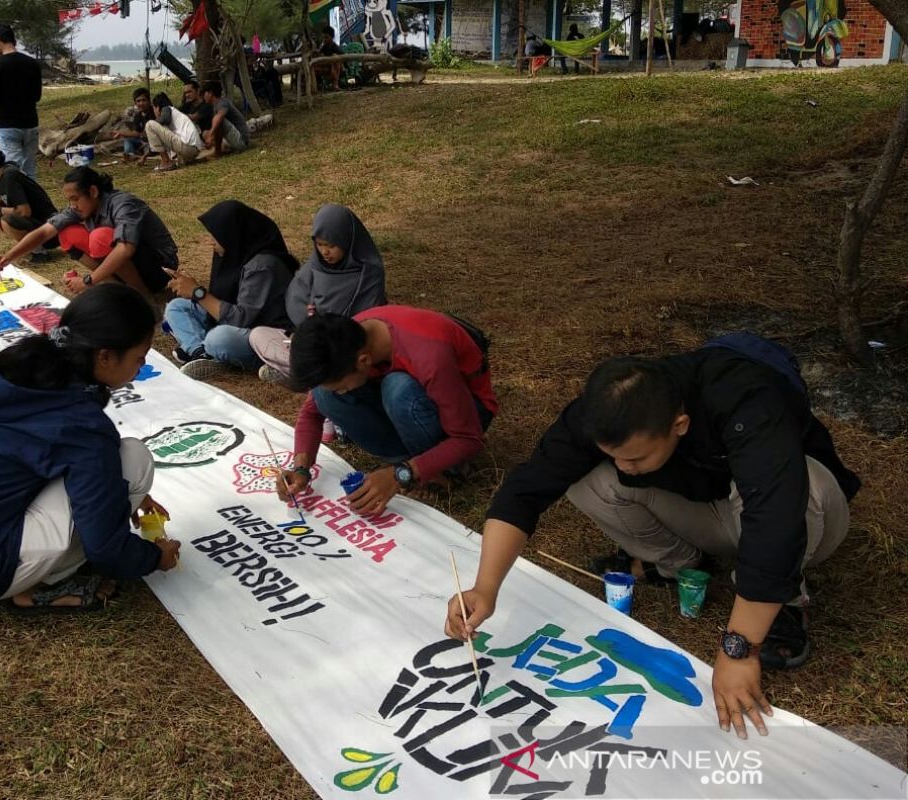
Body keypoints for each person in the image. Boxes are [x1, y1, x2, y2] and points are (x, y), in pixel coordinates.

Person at [445, 338, 860, 741]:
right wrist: (486, 587)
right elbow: (525, 490)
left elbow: (775, 516)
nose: (625, 466)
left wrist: (739, 648)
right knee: (586, 480)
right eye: (616, 454)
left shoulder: (744, 396)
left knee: (803, 491)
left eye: (636, 457)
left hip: (805, 518)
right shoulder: (604, 410)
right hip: (712, 512)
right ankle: (685, 567)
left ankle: (786, 603)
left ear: (679, 425)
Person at [0, 284, 181, 612]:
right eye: (138, 359)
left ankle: (24, 572)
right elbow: (106, 548)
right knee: (135, 459)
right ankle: (38, 584)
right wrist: (155, 558)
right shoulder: (81, 423)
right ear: (105, 356)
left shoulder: (24, 366)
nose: (139, 371)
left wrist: (111, 489)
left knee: (110, 470)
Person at [282, 307, 498, 515]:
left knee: (398, 389)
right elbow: (311, 413)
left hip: (467, 412)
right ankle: (415, 463)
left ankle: (447, 471)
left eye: (342, 387)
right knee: (323, 396)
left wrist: (400, 474)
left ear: (364, 361)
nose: (341, 393)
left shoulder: (429, 355)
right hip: (411, 405)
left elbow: (469, 438)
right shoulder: (347, 340)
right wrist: (301, 469)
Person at [249, 204, 387, 386]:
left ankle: (303, 374)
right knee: (258, 334)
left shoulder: (368, 274)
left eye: (331, 245)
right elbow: (296, 299)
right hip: (308, 340)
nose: (325, 252)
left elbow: (364, 323)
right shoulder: (314, 267)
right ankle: (306, 373)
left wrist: (323, 326)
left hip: (341, 349)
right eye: (320, 244)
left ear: (348, 240)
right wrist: (308, 324)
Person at [0, 166, 177, 298]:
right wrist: (8, 257)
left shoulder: (123, 204)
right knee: (66, 232)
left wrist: (88, 281)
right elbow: (43, 233)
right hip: (132, 264)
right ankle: (120, 290)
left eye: (75, 199)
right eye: (69, 200)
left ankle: (143, 299)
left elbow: (125, 249)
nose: (73, 205)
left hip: (159, 270)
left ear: (94, 191)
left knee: (100, 237)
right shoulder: (81, 208)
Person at [163, 201, 297, 379]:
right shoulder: (234, 250)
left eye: (215, 236)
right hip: (231, 319)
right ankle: (201, 353)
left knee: (219, 338)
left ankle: (217, 351)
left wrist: (197, 293)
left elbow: (241, 319)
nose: (210, 242)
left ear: (232, 234)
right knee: (176, 307)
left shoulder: (262, 266)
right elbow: (222, 298)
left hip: (260, 334)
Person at [0, 139, 59, 249]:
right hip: (43, 228)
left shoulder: (10, 176)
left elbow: (24, 211)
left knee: (7, 220)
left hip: (50, 231)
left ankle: (37, 252)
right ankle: (32, 248)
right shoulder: (1, 175)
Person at [0, 23, 43, 180]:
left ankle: (19, 203)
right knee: (30, 168)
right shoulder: (32, 64)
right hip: (31, 123)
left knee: (13, 170)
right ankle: (34, 201)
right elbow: (37, 96)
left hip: (8, 125)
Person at [144, 92, 205, 172]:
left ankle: (166, 162)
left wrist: (153, 123)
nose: (154, 112)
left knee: (150, 124)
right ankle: (171, 161)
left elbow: (165, 119)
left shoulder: (166, 108)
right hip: (192, 150)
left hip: (188, 148)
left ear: (157, 107)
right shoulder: (174, 113)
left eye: (154, 109)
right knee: (156, 127)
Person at [201, 80, 250, 157]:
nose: (203, 96)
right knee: (205, 133)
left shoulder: (222, 103)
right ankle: (219, 150)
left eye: (204, 93)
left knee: (219, 122)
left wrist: (211, 135)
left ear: (210, 93)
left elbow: (219, 117)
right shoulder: (215, 106)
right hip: (233, 137)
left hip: (242, 141)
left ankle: (218, 151)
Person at [110, 87, 156, 161]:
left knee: (150, 148)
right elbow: (136, 133)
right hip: (143, 141)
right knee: (128, 140)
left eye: (143, 100)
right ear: (135, 103)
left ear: (149, 101)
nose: (141, 103)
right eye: (138, 101)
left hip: (153, 142)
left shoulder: (154, 112)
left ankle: (139, 154)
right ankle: (130, 154)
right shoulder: (138, 116)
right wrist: (120, 133)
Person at [314, 26, 344, 90]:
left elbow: (342, 60)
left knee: (335, 57)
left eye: (326, 37)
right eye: (323, 38)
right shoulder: (324, 47)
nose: (324, 40)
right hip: (327, 67)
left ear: (331, 37)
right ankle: (315, 85)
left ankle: (335, 85)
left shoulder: (336, 48)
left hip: (337, 69)